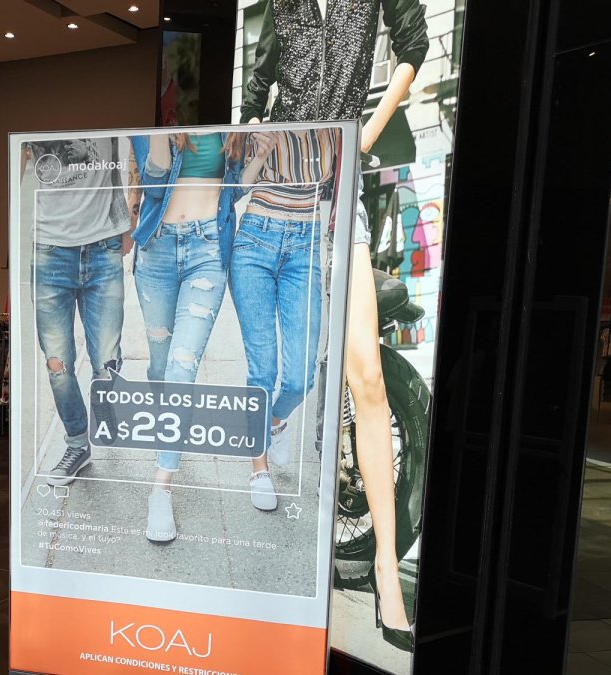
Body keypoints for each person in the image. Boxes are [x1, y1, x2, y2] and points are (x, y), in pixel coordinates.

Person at [240, 0, 431, 652]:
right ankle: (265, 472)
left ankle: (387, 571)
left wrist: (365, 134)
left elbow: (413, 43)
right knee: (276, 362)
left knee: (367, 375)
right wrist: (255, 142)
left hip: (341, 182)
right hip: (281, 187)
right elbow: (257, 89)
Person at [130, 131, 269, 543]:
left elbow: (233, 190)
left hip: (207, 251)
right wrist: (161, 133)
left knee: (181, 368)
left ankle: (161, 487)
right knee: (160, 367)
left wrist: (259, 156)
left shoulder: (226, 127)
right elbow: (155, 185)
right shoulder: (156, 123)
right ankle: (169, 432)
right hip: (157, 251)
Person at [229, 128, 340, 512]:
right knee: (262, 370)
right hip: (255, 242)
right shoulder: (267, 115)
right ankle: (258, 468)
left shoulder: (333, 127)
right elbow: (238, 188)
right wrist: (259, 151)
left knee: (300, 377)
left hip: (305, 246)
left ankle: (275, 421)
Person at [26, 137, 132, 487]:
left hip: (103, 244)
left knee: (106, 361)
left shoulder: (106, 115)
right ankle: (77, 444)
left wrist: (128, 218)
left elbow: (123, 162)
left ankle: (105, 404)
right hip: (50, 250)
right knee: (58, 364)